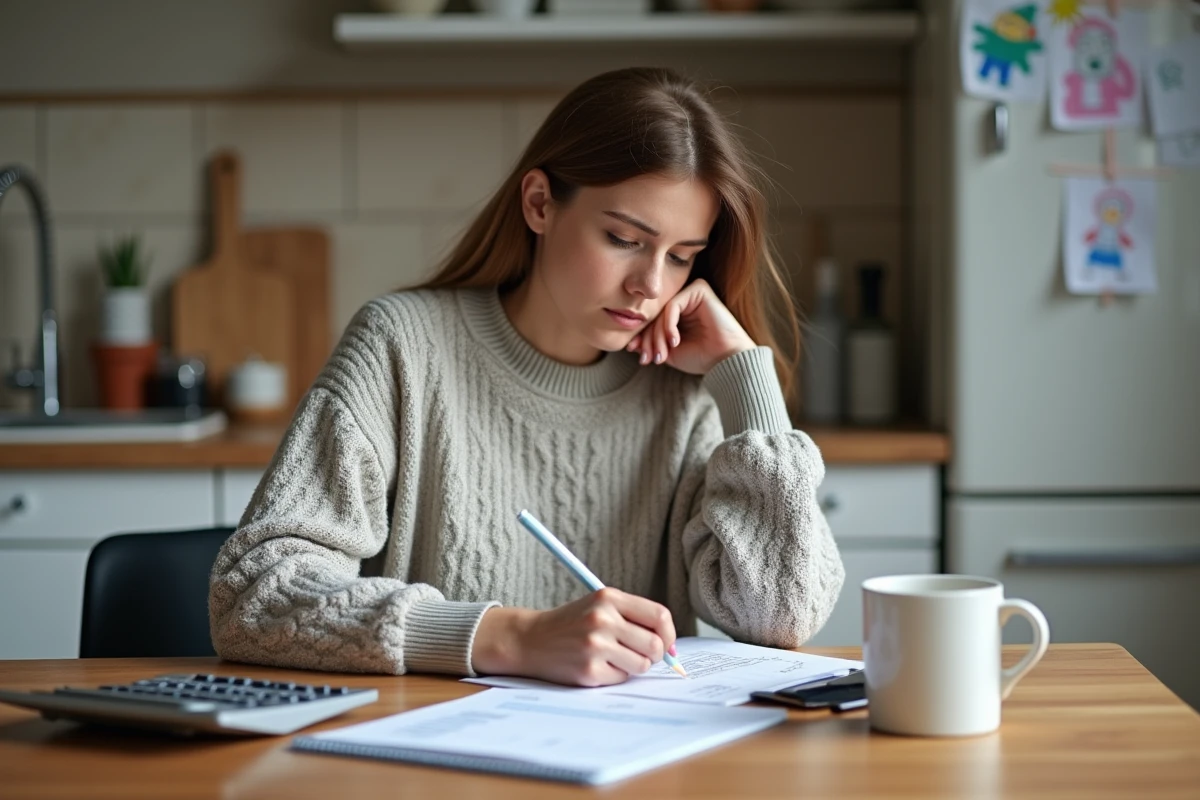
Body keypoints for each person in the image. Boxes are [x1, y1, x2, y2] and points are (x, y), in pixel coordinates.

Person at [209, 66, 845, 687]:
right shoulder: (402, 347)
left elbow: (783, 618)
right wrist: (506, 638)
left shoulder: (683, 393)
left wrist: (743, 380)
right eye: (625, 238)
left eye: (681, 257)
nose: (651, 285)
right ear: (540, 204)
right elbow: (253, 597)